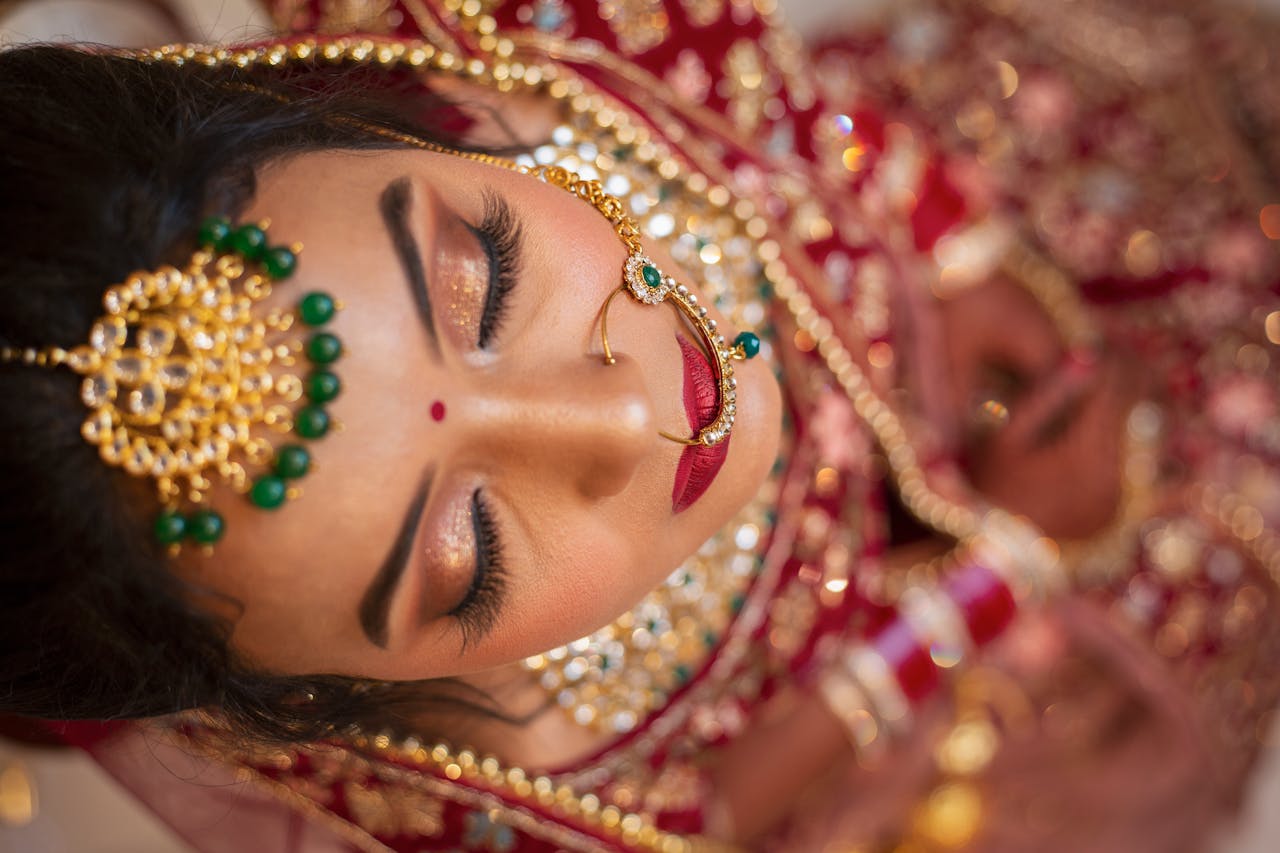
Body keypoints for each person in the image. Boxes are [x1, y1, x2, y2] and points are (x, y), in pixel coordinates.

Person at [0, 0, 1276, 850]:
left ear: (328, 110)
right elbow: (717, 811)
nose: (628, 413)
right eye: (471, 554)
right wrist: (1002, 569)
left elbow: (778, 106)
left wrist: (955, 245)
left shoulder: (529, 44)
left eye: (487, 274)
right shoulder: (510, 777)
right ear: (301, 701)